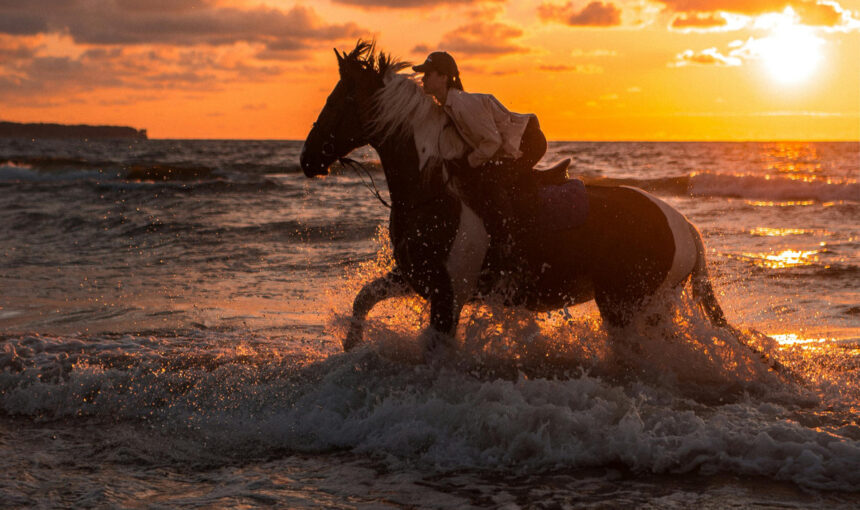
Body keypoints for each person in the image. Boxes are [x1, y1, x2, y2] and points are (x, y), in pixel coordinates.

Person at [413, 51, 552, 254]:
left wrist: (470, 162)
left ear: (443, 77)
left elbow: (492, 141)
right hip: (512, 145)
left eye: (428, 74)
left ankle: (506, 243)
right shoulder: (448, 106)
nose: (423, 78)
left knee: (492, 181)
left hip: (529, 142)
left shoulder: (461, 104)